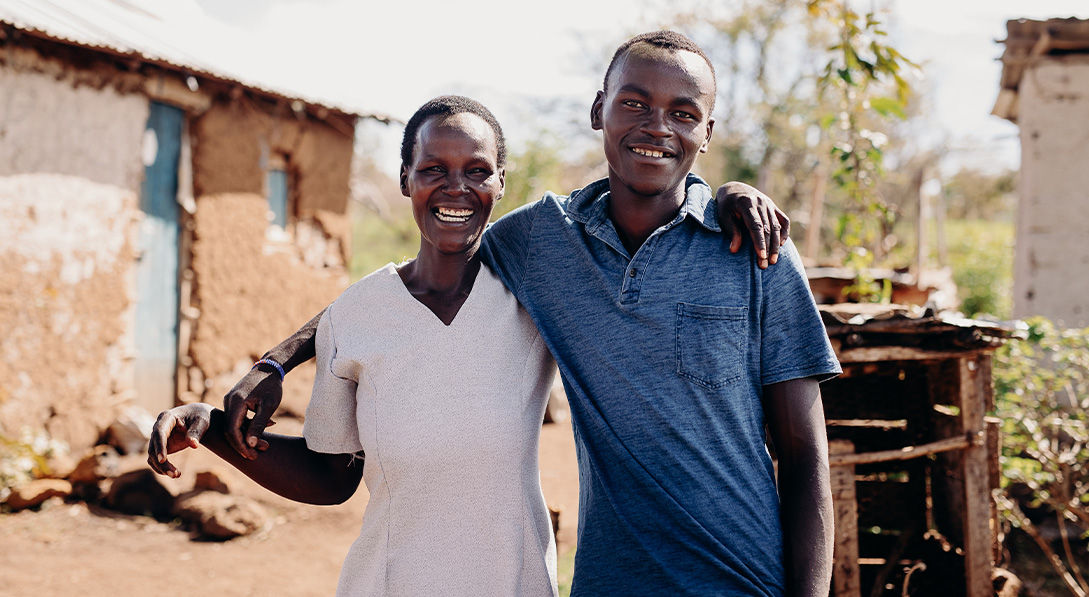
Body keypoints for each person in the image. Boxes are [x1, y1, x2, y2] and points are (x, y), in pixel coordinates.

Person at [220, 31, 837, 597]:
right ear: (599, 110)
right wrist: (277, 360)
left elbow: (806, 456)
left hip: (744, 580)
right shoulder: (541, 242)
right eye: (634, 103)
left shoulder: (756, 254)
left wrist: (731, 192)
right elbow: (398, 289)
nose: (657, 126)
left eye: (683, 112)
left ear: (707, 131)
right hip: (609, 582)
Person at [148, 96, 559, 596]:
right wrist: (212, 426)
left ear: (500, 182)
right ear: (406, 178)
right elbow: (332, 477)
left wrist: (278, 360)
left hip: (514, 583)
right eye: (433, 169)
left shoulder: (535, 296)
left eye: (477, 170)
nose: (457, 188)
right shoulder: (358, 314)